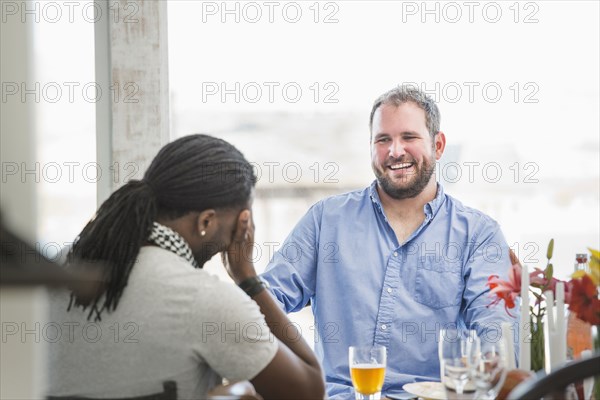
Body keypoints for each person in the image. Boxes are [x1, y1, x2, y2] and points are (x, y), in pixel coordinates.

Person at [261, 86, 518, 398]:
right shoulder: (325, 220)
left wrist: (491, 365)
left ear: (438, 146)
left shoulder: (478, 234)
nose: (395, 151)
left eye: (409, 137)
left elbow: (496, 331)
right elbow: (266, 301)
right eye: (383, 140)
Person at [46, 134, 325, 400]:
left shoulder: (57, 268)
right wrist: (248, 278)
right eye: (240, 225)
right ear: (206, 222)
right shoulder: (204, 299)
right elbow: (309, 390)